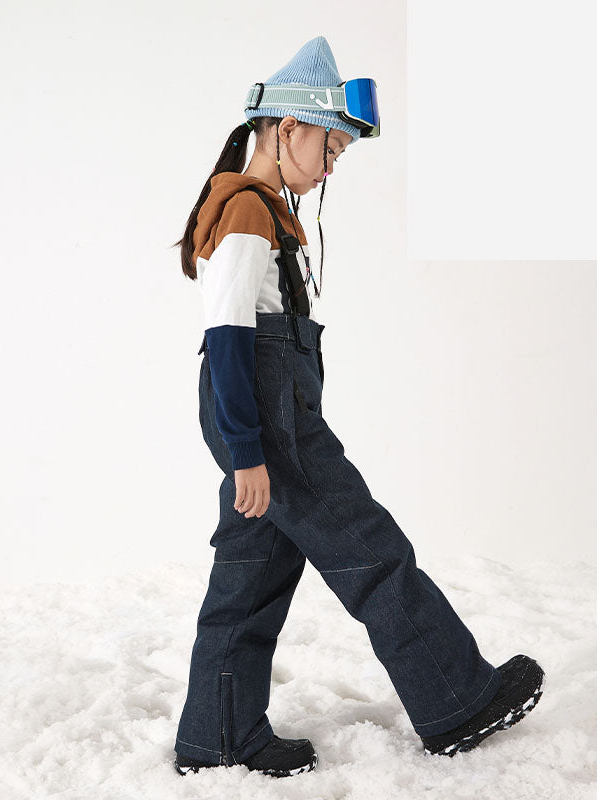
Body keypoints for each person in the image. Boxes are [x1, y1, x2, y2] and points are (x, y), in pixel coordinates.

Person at [171, 35, 545, 779]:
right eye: (331, 147)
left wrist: (248, 442)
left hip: (266, 411)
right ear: (289, 128)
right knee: (370, 551)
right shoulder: (246, 210)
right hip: (268, 417)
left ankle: (217, 736)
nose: (331, 165)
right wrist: (248, 450)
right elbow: (230, 336)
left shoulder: (253, 207)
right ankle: (457, 702)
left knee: (252, 574)